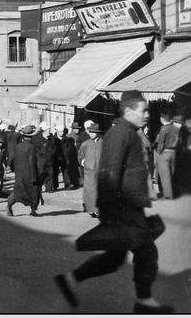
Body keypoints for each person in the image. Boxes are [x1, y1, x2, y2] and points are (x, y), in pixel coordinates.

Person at [55, 91, 172, 314]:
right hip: (123, 208)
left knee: (115, 257)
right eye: (143, 110)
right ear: (129, 111)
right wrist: (110, 213)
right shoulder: (120, 134)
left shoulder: (128, 133)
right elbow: (109, 173)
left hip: (129, 206)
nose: (147, 115)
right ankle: (144, 301)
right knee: (146, 252)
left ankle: (71, 280)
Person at [7, 125, 41, 217]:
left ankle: (9, 205)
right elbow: (32, 162)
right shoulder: (31, 147)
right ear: (31, 136)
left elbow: (13, 159)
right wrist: (34, 177)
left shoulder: (18, 146)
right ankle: (33, 210)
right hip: (29, 174)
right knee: (34, 191)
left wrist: (15, 170)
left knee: (18, 192)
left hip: (20, 173)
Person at [154, 114, 183, 200]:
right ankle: (173, 194)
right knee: (171, 174)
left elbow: (161, 143)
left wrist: (158, 153)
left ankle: (168, 196)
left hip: (164, 152)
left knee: (164, 175)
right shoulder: (177, 130)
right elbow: (180, 142)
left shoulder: (164, 128)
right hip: (174, 152)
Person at [78, 121, 103, 218]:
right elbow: (80, 156)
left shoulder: (103, 143)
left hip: (100, 170)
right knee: (89, 190)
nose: (91, 134)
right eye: (90, 132)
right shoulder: (86, 144)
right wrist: (82, 162)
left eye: (93, 132)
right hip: (89, 171)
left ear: (97, 132)